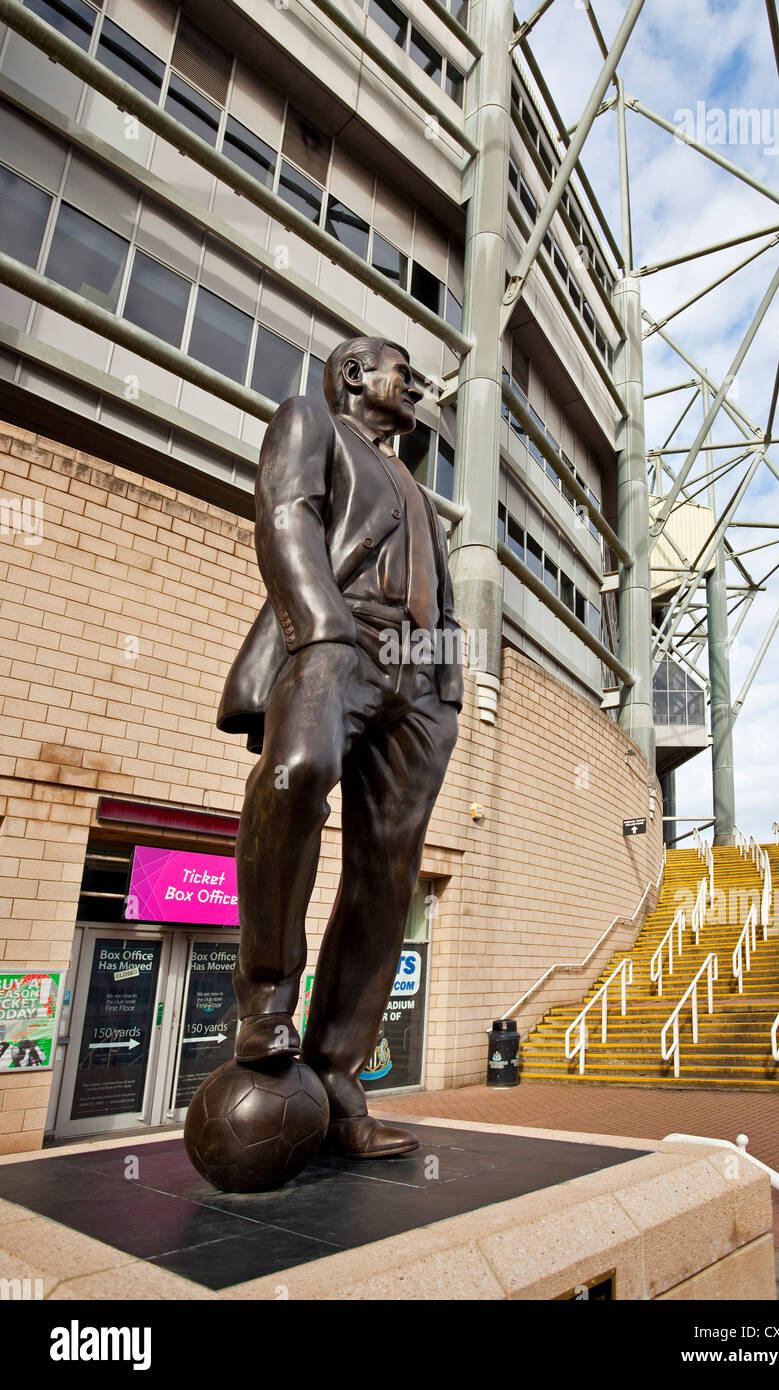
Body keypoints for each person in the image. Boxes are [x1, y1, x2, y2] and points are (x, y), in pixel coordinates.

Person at [217, 336, 462, 1158]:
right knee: (293, 775)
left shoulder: (420, 491)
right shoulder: (307, 422)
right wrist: (319, 632)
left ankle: (338, 1077)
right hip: (338, 634)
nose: (418, 386)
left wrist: (447, 684)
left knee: (388, 872)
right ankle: (265, 1006)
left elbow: (446, 599)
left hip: (418, 675)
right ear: (355, 373)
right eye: (405, 370)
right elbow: (285, 515)